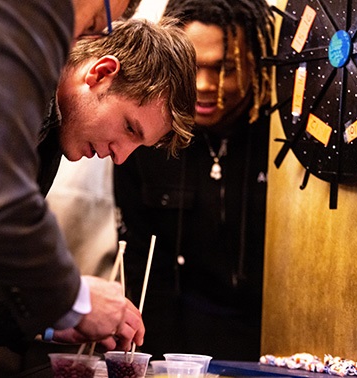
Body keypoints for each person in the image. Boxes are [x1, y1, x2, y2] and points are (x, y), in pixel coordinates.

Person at [0, 1, 197, 375]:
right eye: (129, 128)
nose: (121, 158)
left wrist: (54, 320)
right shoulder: (6, 50)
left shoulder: (55, 129)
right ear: (101, 73)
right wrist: (70, 299)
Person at [114, 0, 274, 361]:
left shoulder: (281, 140)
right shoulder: (144, 134)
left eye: (226, 68)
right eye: (192, 67)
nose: (204, 85)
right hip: (170, 349)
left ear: (256, 63)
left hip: (267, 348)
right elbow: (138, 263)